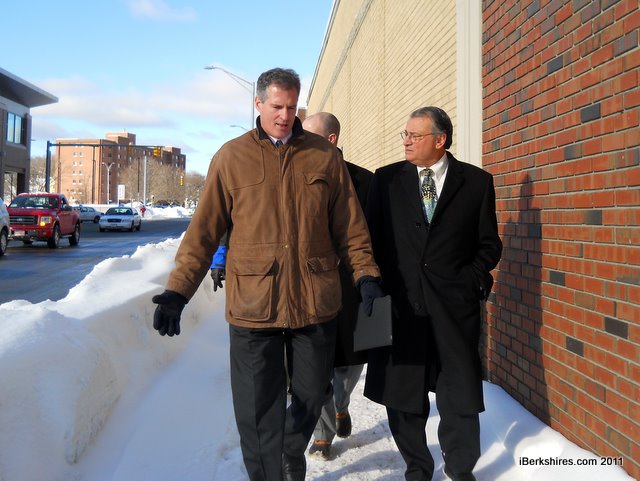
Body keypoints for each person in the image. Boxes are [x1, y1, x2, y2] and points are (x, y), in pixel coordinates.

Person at [151, 67, 383, 481]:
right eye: (277, 106)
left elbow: (351, 227)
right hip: (254, 306)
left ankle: (289, 450)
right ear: (258, 104)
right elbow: (203, 232)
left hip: (314, 301)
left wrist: (366, 275)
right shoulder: (231, 157)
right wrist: (177, 292)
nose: (284, 116)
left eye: (292, 107)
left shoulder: (324, 156)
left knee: (312, 394)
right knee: (257, 409)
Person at [363, 106, 502, 481]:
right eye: (405, 134)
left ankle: (461, 469)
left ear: (440, 140)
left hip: (454, 308)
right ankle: (417, 468)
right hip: (401, 307)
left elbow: (489, 244)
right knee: (402, 395)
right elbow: (369, 240)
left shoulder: (476, 183)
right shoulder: (386, 180)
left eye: (415, 135)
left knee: (459, 395)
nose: (406, 141)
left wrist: (472, 281)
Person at [301, 112, 372, 460]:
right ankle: (323, 431)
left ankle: (341, 405)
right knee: (316, 364)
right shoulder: (297, 178)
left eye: (308, 135)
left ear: (330, 140)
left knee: (350, 361)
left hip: (351, 286)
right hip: (310, 287)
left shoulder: (366, 182)